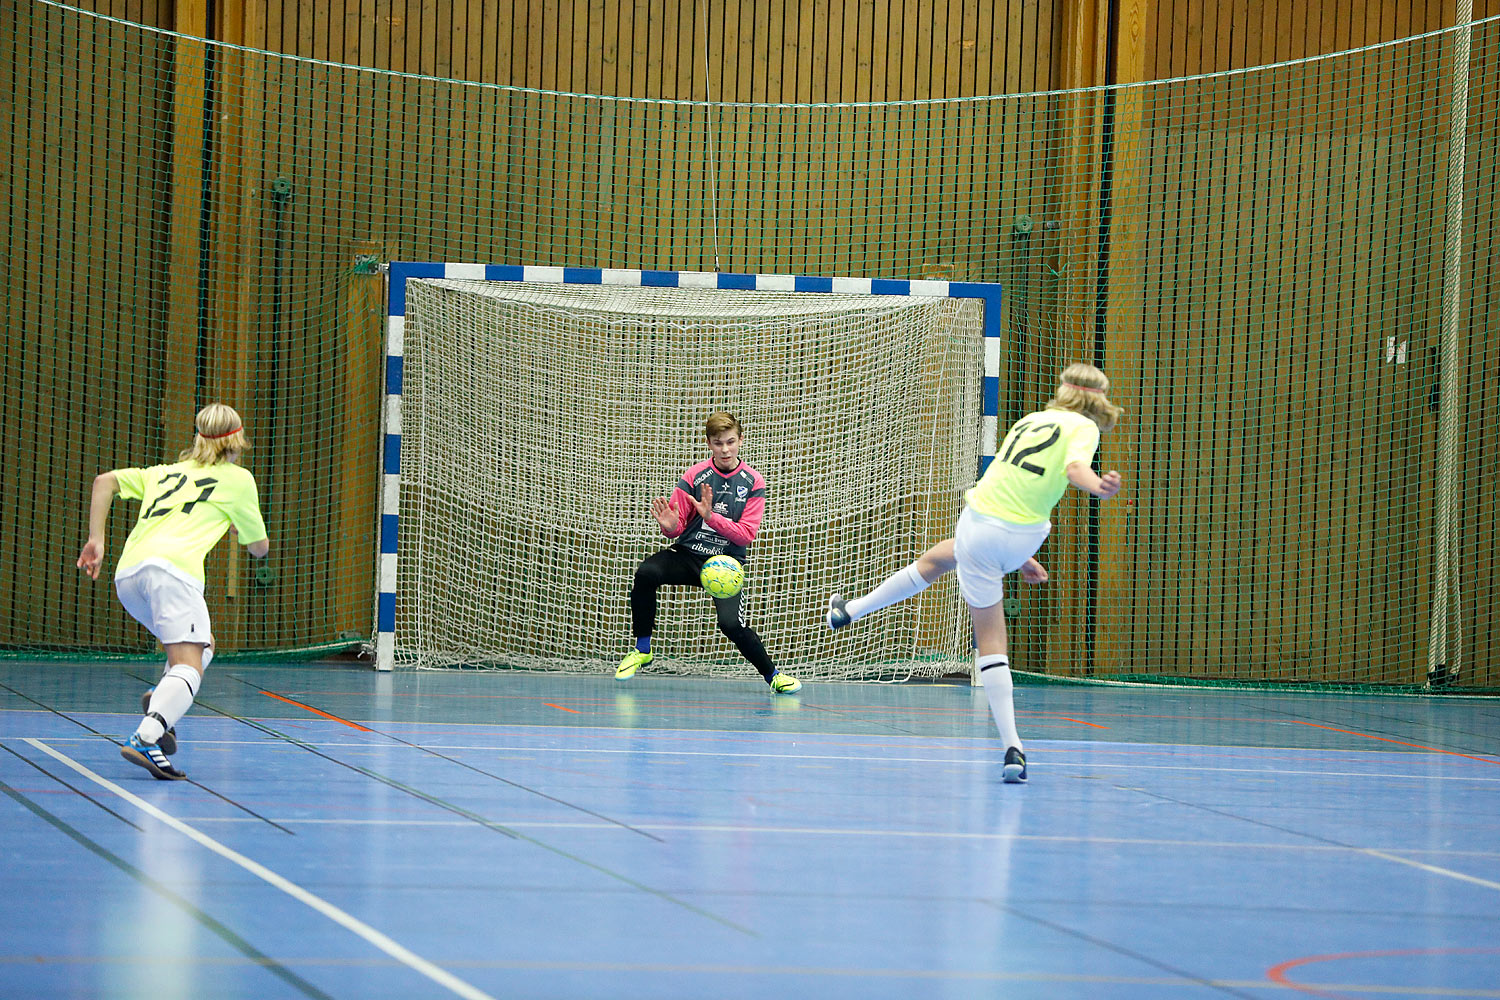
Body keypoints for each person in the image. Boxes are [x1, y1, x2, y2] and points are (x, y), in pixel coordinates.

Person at [76, 403, 270, 780]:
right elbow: (259, 547)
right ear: (237, 439)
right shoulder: (238, 479)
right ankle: (147, 735)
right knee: (188, 665)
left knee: (203, 644)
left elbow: (104, 482)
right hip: (173, 574)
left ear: (197, 435)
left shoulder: (164, 473)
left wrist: (96, 540)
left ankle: (163, 696)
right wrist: (239, 530)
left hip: (129, 575)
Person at [950, 362, 1123, 782]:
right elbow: (1075, 470)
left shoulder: (1031, 419)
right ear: (1096, 397)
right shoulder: (1084, 427)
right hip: (1026, 533)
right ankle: (1013, 747)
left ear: (1064, 390)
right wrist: (1099, 486)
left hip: (981, 520)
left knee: (983, 628)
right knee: (950, 571)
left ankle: (1013, 744)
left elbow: (1006, 480)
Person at [616, 412, 801, 694]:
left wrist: (711, 517)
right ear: (709, 443)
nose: (725, 449)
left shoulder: (754, 482)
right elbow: (677, 527)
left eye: (730, 442)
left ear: (741, 440)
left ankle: (773, 675)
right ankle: (643, 649)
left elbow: (746, 534)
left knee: (731, 625)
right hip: (688, 554)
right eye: (718, 443)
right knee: (647, 573)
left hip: (725, 563)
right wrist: (668, 527)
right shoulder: (694, 476)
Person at [827, 540, 1047, 630]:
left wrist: (1025, 560)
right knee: (934, 562)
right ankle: (851, 609)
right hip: (996, 522)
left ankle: (851, 610)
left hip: (992, 523)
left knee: (990, 638)